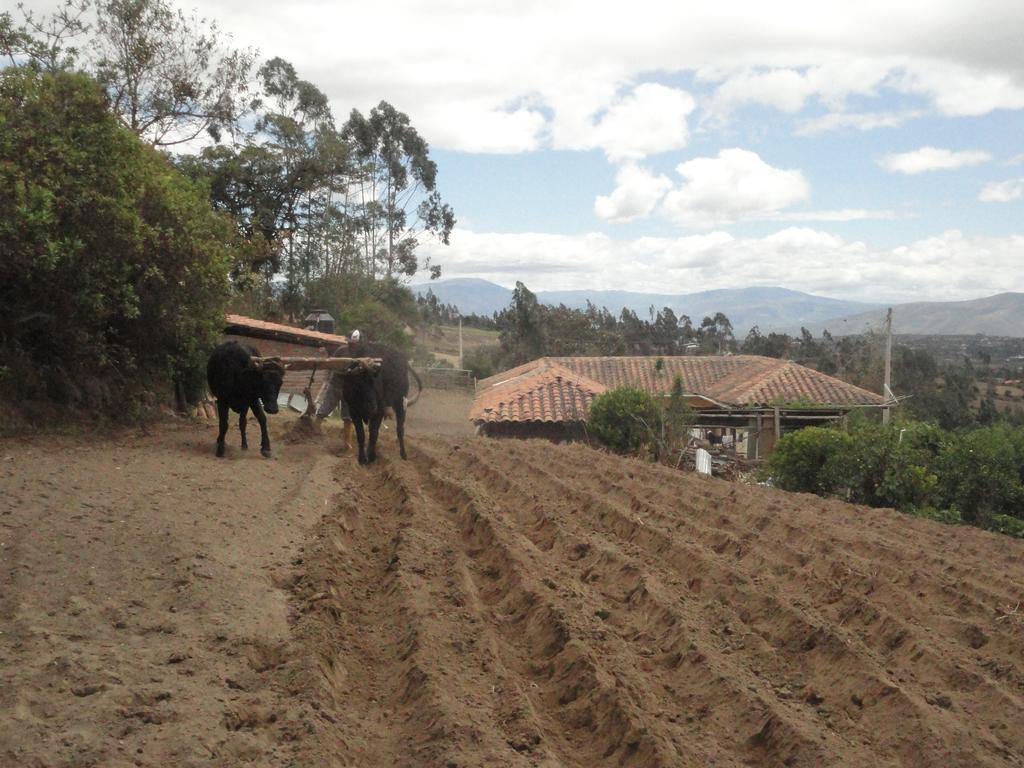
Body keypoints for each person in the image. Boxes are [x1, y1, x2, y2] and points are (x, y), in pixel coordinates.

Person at [314, 329, 364, 449]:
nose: (352, 345)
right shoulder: (342, 350)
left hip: (351, 390)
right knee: (323, 411)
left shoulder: (363, 353)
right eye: (351, 342)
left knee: (348, 417)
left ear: (359, 343)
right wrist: (345, 371)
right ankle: (313, 433)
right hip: (336, 385)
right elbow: (332, 364)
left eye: (354, 343)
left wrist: (357, 372)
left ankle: (347, 443)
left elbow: (363, 369)